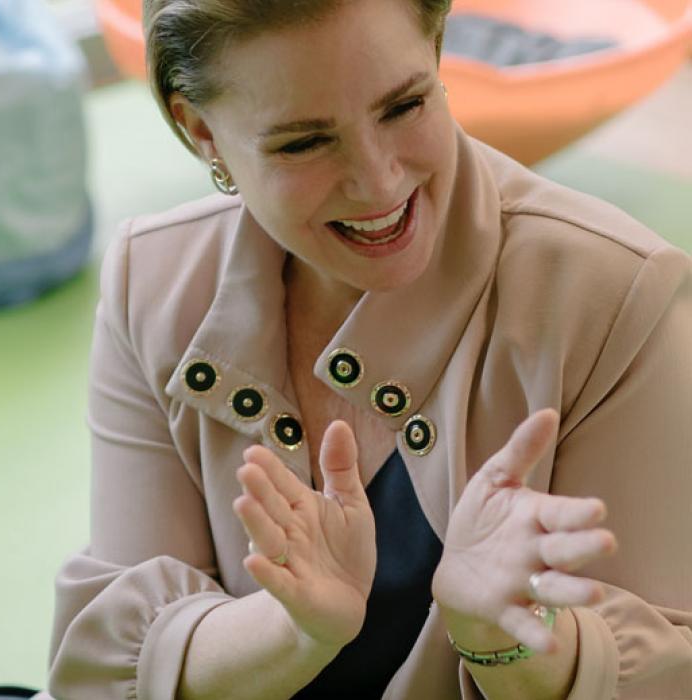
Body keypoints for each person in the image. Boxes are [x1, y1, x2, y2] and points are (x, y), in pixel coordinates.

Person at [37, 0, 692, 698]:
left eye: (405, 105)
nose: (379, 183)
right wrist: (294, 630)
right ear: (202, 132)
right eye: (303, 143)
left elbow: (666, 676)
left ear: (437, 49)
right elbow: (106, 678)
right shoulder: (153, 281)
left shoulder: (617, 292)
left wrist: (507, 636)